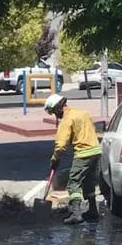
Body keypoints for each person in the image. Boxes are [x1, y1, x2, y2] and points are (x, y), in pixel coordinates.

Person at [44, 94, 101, 225]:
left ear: (58, 108)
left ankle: (76, 213)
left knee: (73, 183)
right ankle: (92, 211)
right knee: (88, 182)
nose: (55, 116)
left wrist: (55, 158)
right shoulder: (83, 113)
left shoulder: (67, 120)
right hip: (96, 152)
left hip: (83, 154)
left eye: (54, 112)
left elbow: (61, 144)